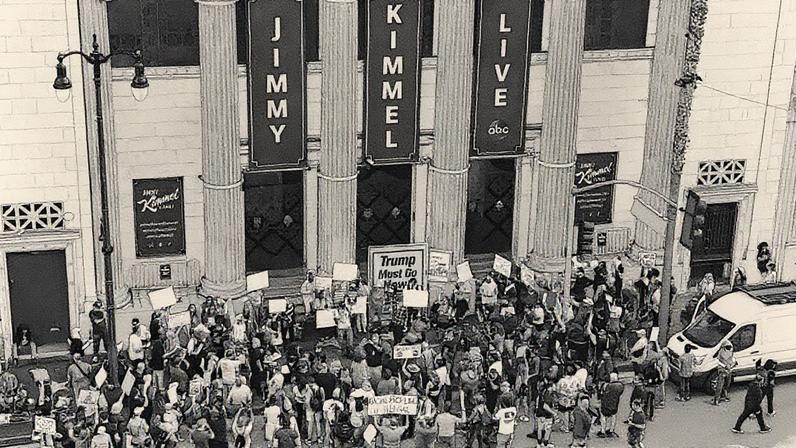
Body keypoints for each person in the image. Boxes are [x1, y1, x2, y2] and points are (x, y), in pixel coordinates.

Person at [598, 372, 623, 438]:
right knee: (613, 417)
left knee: (603, 417)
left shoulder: (606, 385)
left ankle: (603, 431)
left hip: (605, 404)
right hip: (615, 404)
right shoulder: (620, 385)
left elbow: (601, 393)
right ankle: (611, 430)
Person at [713, 341, 736, 405]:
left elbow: (732, 359)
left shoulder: (730, 352)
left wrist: (733, 363)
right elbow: (719, 361)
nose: (730, 348)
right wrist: (725, 366)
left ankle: (725, 396)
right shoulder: (721, 352)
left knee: (727, 384)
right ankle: (716, 399)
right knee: (720, 385)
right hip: (722, 370)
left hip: (729, 370)